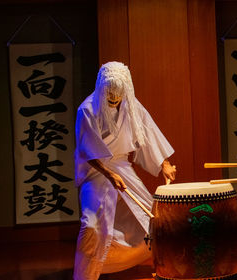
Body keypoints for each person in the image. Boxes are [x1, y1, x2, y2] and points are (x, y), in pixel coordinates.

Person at [73, 61, 176, 280]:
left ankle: (165, 268)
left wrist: (164, 164)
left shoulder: (131, 104)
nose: (114, 97)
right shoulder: (88, 109)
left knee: (152, 218)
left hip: (121, 167)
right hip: (96, 172)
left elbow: (148, 135)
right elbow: (87, 150)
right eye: (110, 92)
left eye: (118, 92)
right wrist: (109, 174)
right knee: (92, 225)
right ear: (101, 86)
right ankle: (85, 276)